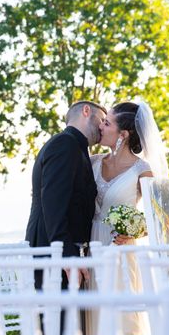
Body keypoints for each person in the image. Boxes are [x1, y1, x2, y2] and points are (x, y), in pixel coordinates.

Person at [86, 101, 168, 335]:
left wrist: (133, 234)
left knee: (123, 324)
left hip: (121, 253)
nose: (101, 126)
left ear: (122, 134)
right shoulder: (93, 162)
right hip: (92, 249)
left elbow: (157, 217)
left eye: (107, 123)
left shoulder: (142, 170)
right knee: (94, 321)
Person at [25, 100, 107, 292]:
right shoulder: (65, 144)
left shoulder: (77, 147)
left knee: (68, 321)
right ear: (86, 111)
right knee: (59, 320)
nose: (103, 127)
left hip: (59, 251)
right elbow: (53, 204)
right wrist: (66, 255)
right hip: (52, 252)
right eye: (102, 120)